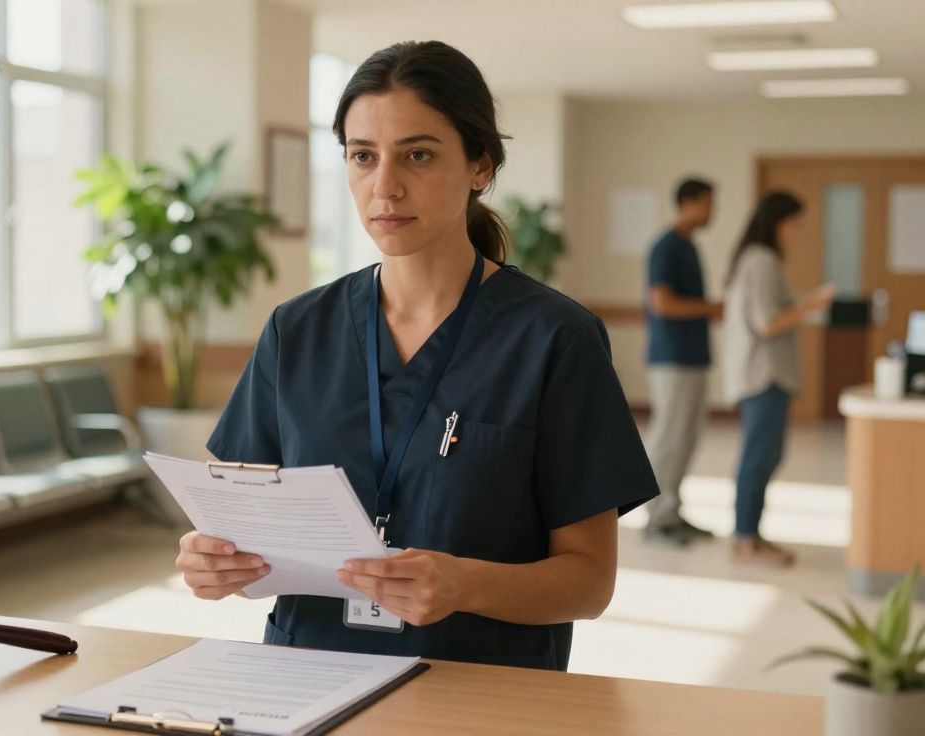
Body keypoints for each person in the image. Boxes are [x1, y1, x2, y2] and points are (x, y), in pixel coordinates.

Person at [172, 40, 658, 671]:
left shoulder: (553, 338)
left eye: (418, 155)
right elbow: (245, 531)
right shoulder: (297, 332)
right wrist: (213, 563)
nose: (386, 187)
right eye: (363, 156)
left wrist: (464, 585)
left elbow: (589, 583)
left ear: (480, 166)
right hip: (304, 679)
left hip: (482, 689)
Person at [723, 191, 834, 566]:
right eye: (794, 224)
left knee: (765, 455)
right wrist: (811, 304)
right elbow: (768, 322)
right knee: (759, 457)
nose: (796, 233)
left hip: (763, 375)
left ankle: (749, 534)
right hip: (763, 376)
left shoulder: (756, 260)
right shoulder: (761, 260)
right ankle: (745, 538)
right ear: (777, 222)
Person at [642, 178, 723, 547]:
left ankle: (672, 510)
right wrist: (712, 308)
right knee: (669, 437)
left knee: (687, 438)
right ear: (687, 203)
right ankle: (656, 517)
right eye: (707, 203)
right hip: (672, 358)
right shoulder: (666, 247)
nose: (712, 212)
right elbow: (662, 303)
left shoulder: (690, 247)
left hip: (693, 357)